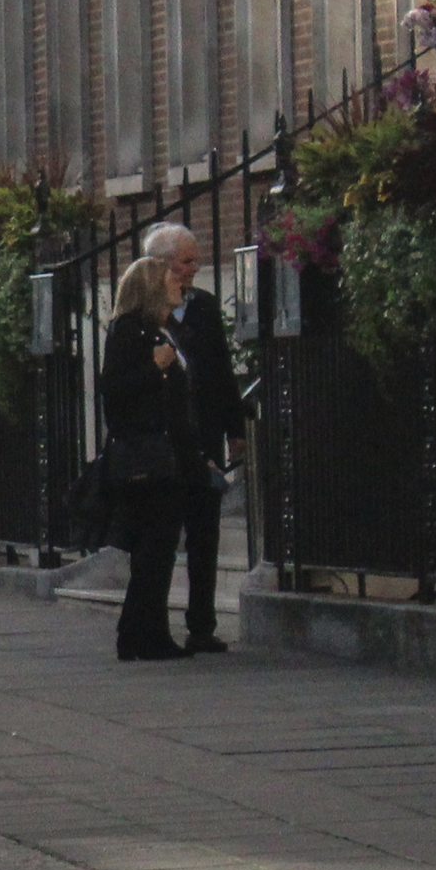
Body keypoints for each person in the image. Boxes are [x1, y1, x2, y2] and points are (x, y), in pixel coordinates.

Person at [141, 223, 247, 653]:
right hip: (165, 445)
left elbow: (220, 370)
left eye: (195, 260)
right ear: (164, 265)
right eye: (186, 261)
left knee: (205, 533)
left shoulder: (202, 306)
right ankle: (152, 624)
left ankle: (201, 624)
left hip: (204, 435)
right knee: (163, 537)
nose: (194, 269)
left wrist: (235, 429)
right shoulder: (142, 312)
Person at [99, 257, 200, 662]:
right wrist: (155, 370)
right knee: (154, 547)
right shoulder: (128, 331)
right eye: (171, 278)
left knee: (158, 549)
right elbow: (115, 393)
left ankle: (141, 631)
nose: (180, 283)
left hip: (171, 454)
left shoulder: (165, 330)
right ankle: (141, 634)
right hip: (148, 458)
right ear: (151, 288)